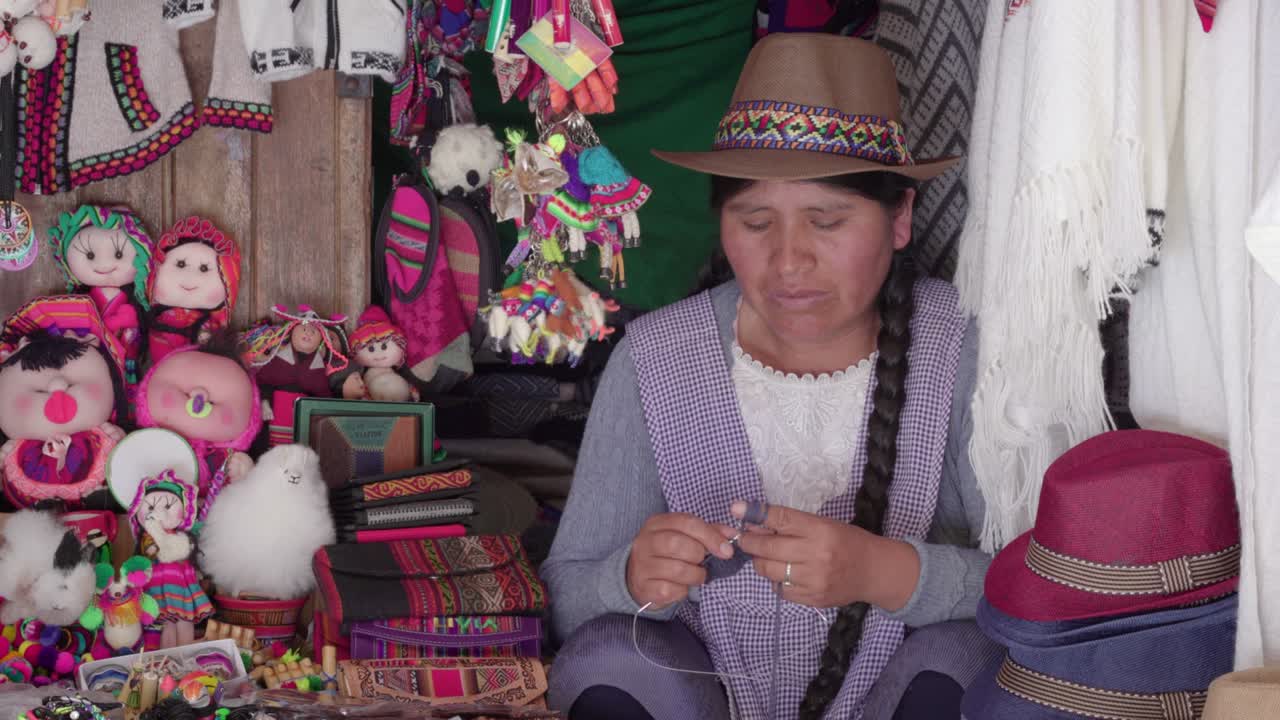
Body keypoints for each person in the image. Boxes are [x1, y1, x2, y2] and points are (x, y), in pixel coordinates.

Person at [542, 34, 999, 720]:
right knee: (608, 656)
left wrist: (886, 573)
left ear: (900, 217)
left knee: (968, 662)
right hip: (698, 702)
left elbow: (1052, 590)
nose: (789, 262)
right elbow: (565, 595)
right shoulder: (655, 359)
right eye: (755, 222)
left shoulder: (962, 348)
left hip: (900, 702)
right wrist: (630, 577)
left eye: (828, 221)